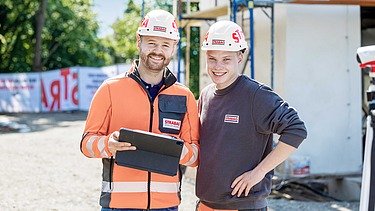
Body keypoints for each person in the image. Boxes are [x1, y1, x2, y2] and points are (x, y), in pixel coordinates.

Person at [80, 9, 199, 211]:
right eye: (151, 43)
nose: (158, 50)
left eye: (165, 45)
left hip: (167, 206)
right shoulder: (110, 89)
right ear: (139, 42)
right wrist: (108, 144)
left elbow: (195, 156)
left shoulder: (185, 96)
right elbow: (86, 144)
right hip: (118, 205)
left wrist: (172, 148)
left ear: (173, 48)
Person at [195, 20, 308, 211]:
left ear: (240, 57)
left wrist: (259, 172)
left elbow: (296, 130)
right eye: (212, 58)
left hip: (243, 205)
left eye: (226, 59)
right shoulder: (206, 95)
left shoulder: (255, 95)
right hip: (206, 203)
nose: (218, 66)